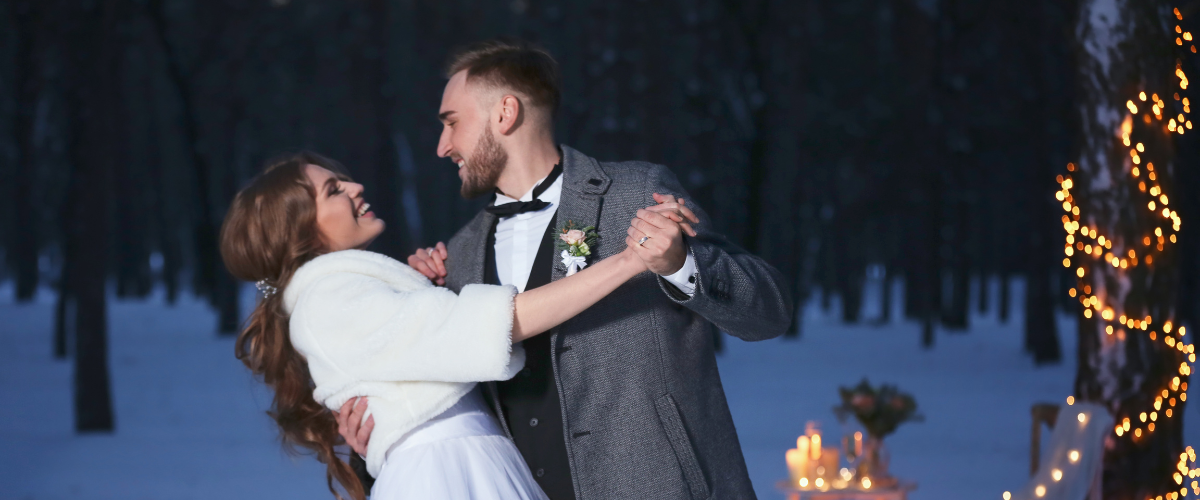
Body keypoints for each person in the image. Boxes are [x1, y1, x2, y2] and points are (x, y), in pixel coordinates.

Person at [337, 39, 794, 499]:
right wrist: (380, 436)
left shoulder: (635, 193)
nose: (442, 147)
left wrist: (682, 265)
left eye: (452, 123)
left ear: (505, 113)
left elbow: (769, 313)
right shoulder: (460, 255)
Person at [219, 151, 696, 500]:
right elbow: (496, 325)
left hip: (467, 462)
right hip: (445, 474)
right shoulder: (329, 300)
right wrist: (631, 261)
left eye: (343, 180)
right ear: (300, 231)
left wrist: (424, 293)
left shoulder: (344, 294)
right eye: (334, 191)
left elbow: (426, 348)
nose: (356, 187)